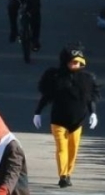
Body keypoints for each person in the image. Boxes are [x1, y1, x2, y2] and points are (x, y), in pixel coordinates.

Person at [33, 44, 100, 188]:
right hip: (58, 120)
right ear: (66, 61)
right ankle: (63, 175)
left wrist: (93, 113)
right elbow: (46, 96)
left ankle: (68, 173)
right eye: (73, 62)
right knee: (62, 148)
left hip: (78, 120)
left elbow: (90, 99)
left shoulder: (87, 79)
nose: (76, 65)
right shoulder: (55, 77)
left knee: (73, 149)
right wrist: (37, 112)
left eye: (79, 63)